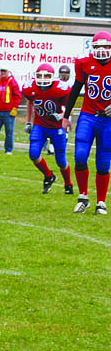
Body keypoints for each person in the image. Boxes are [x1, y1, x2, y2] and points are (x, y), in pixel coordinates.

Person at [63, 31, 111, 215]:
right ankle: (83, 197)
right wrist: (66, 115)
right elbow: (76, 89)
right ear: (93, 48)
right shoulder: (84, 63)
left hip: (108, 120)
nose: (102, 50)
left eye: (106, 46)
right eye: (98, 47)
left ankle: (101, 202)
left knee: (104, 162)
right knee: (80, 155)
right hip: (88, 115)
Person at [22, 63, 73, 194]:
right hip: (40, 125)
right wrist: (28, 122)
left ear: (52, 77)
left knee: (60, 160)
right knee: (33, 154)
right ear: (35, 76)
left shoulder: (61, 88)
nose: (43, 78)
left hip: (57, 127)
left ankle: (68, 184)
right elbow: (29, 102)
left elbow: (70, 108)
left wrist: (62, 115)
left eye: (46, 76)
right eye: (40, 75)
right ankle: (49, 176)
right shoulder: (30, 87)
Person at [0, 67, 21, 154]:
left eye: (4, 71)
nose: (2, 73)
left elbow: (17, 96)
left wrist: (15, 107)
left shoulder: (12, 82)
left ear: (8, 72)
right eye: (1, 71)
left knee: (9, 131)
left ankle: (8, 150)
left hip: (8, 112)